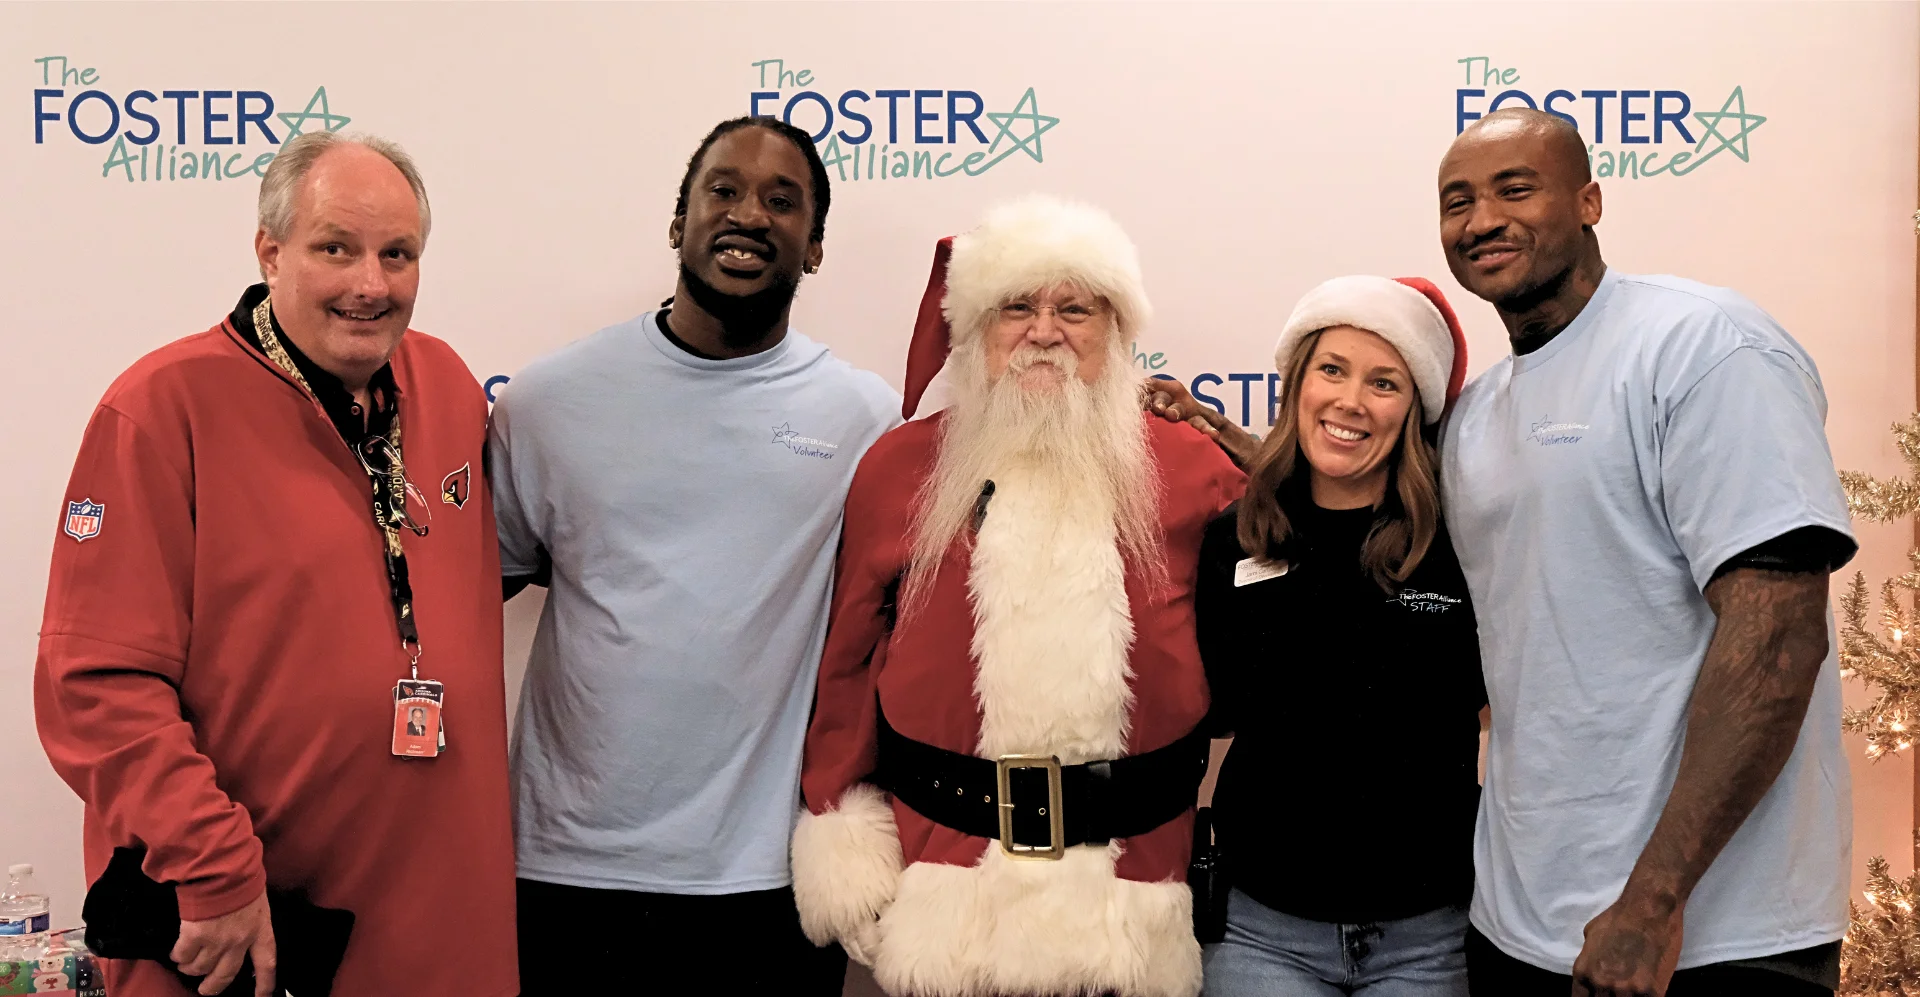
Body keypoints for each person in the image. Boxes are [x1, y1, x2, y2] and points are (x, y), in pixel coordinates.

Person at [35, 130, 516, 997]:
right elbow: (91, 682)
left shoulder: (445, 381)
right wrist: (212, 864)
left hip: (444, 926)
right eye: (336, 247)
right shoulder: (160, 408)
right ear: (271, 249)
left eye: (397, 253)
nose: (370, 283)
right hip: (249, 932)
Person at [1438, 107, 1857, 997]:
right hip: (1521, 926)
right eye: (1458, 201)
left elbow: (1780, 640)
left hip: (1709, 936)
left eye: (1516, 188)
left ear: (1589, 200)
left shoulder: (1703, 346)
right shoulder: (1476, 415)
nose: (1482, 219)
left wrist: (1654, 900)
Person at [792, 195, 1246, 997]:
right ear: (974, 331)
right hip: (946, 884)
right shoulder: (900, 469)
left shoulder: (1195, 471)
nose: (1045, 332)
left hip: (1131, 898)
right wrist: (841, 831)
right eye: (1016, 308)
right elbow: (848, 664)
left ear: (1117, 331)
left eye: (1075, 308)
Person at [487, 115, 898, 995]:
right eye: (724, 190)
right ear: (679, 223)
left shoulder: (865, 420)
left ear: (815, 246)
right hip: (568, 871)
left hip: (766, 883)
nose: (748, 214)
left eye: (781, 202)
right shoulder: (549, 402)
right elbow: (464, 596)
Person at [1191, 275, 1483, 997]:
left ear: (1415, 407)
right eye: (1332, 369)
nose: (1351, 400)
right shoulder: (1236, 536)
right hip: (1261, 928)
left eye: (1384, 381)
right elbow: (1217, 707)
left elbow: (1492, 700)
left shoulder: (1464, 541)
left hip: (1428, 934)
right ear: (1296, 385)